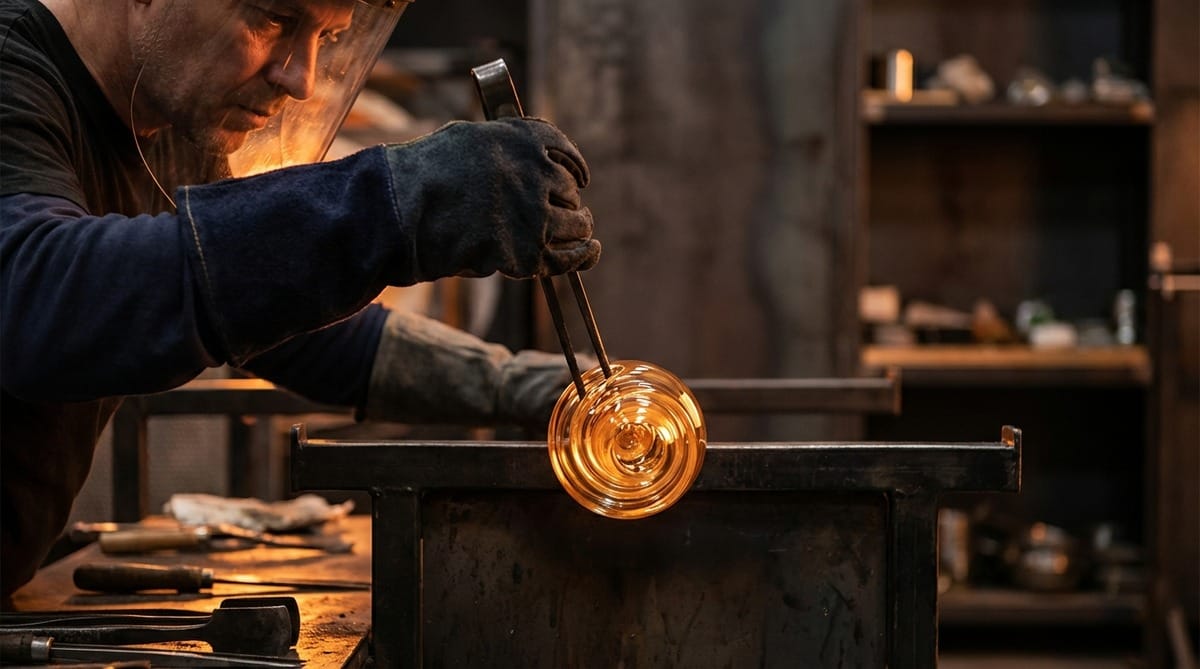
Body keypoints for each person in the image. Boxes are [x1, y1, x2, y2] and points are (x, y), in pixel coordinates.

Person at [0, 0, 601, 600]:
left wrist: (525, 386)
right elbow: (39, 299)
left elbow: (283, 318)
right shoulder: (14, 75)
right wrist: (391, 206)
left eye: (329, 36)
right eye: (274, 19)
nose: (302, 78)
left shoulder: (166, 127)